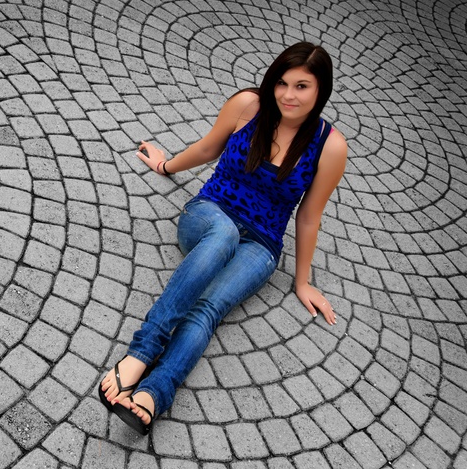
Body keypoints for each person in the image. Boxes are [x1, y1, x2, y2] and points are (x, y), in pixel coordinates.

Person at [98, 42, 347, 435]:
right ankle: (142, 352)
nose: (287, 95)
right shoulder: (249, 105)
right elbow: (207, 148)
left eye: (302, 86)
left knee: (208, 309)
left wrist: (302, 281)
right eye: (282, 83)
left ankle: (155, 393)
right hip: (208, 216)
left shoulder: (330, 146)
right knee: (223, 234)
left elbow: (309, 217)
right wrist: (165, 165)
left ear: (321, 91)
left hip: (261, 244)